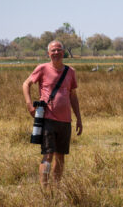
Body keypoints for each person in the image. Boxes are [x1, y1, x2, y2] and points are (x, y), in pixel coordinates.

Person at [22, 40, 82, 188]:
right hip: (48, 119)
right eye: (53, 51)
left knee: (60, 156)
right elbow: (26, 84)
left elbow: (73, 96)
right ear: (48, 53)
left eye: (59, 50)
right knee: (48, 155)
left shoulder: (70, 72)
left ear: (63, 53)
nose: (56, 53)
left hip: (65, 121)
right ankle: (45, 190)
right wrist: (29, 105)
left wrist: (79, 118)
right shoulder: (42, 68)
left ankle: (56, 188)